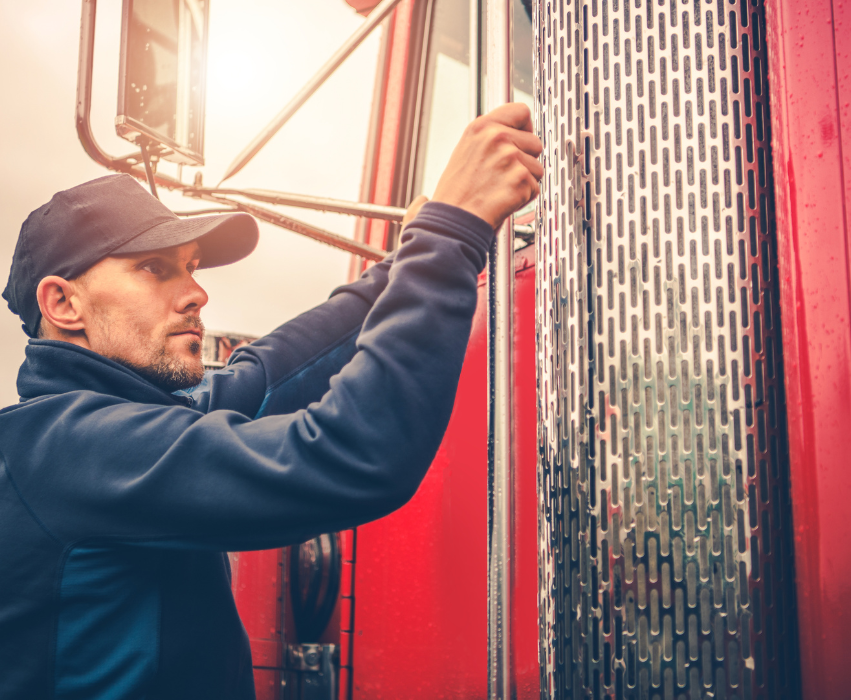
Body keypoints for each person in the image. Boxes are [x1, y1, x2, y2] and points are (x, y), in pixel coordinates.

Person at [0, 102, 541, 698]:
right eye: (155, 269)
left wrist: (402, 266)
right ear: (63, 304)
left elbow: (265, 375)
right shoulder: (69, 449)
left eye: (192, 267)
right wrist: (451, 231)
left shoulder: (115, 430)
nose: (196, 293)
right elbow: (351, 453)